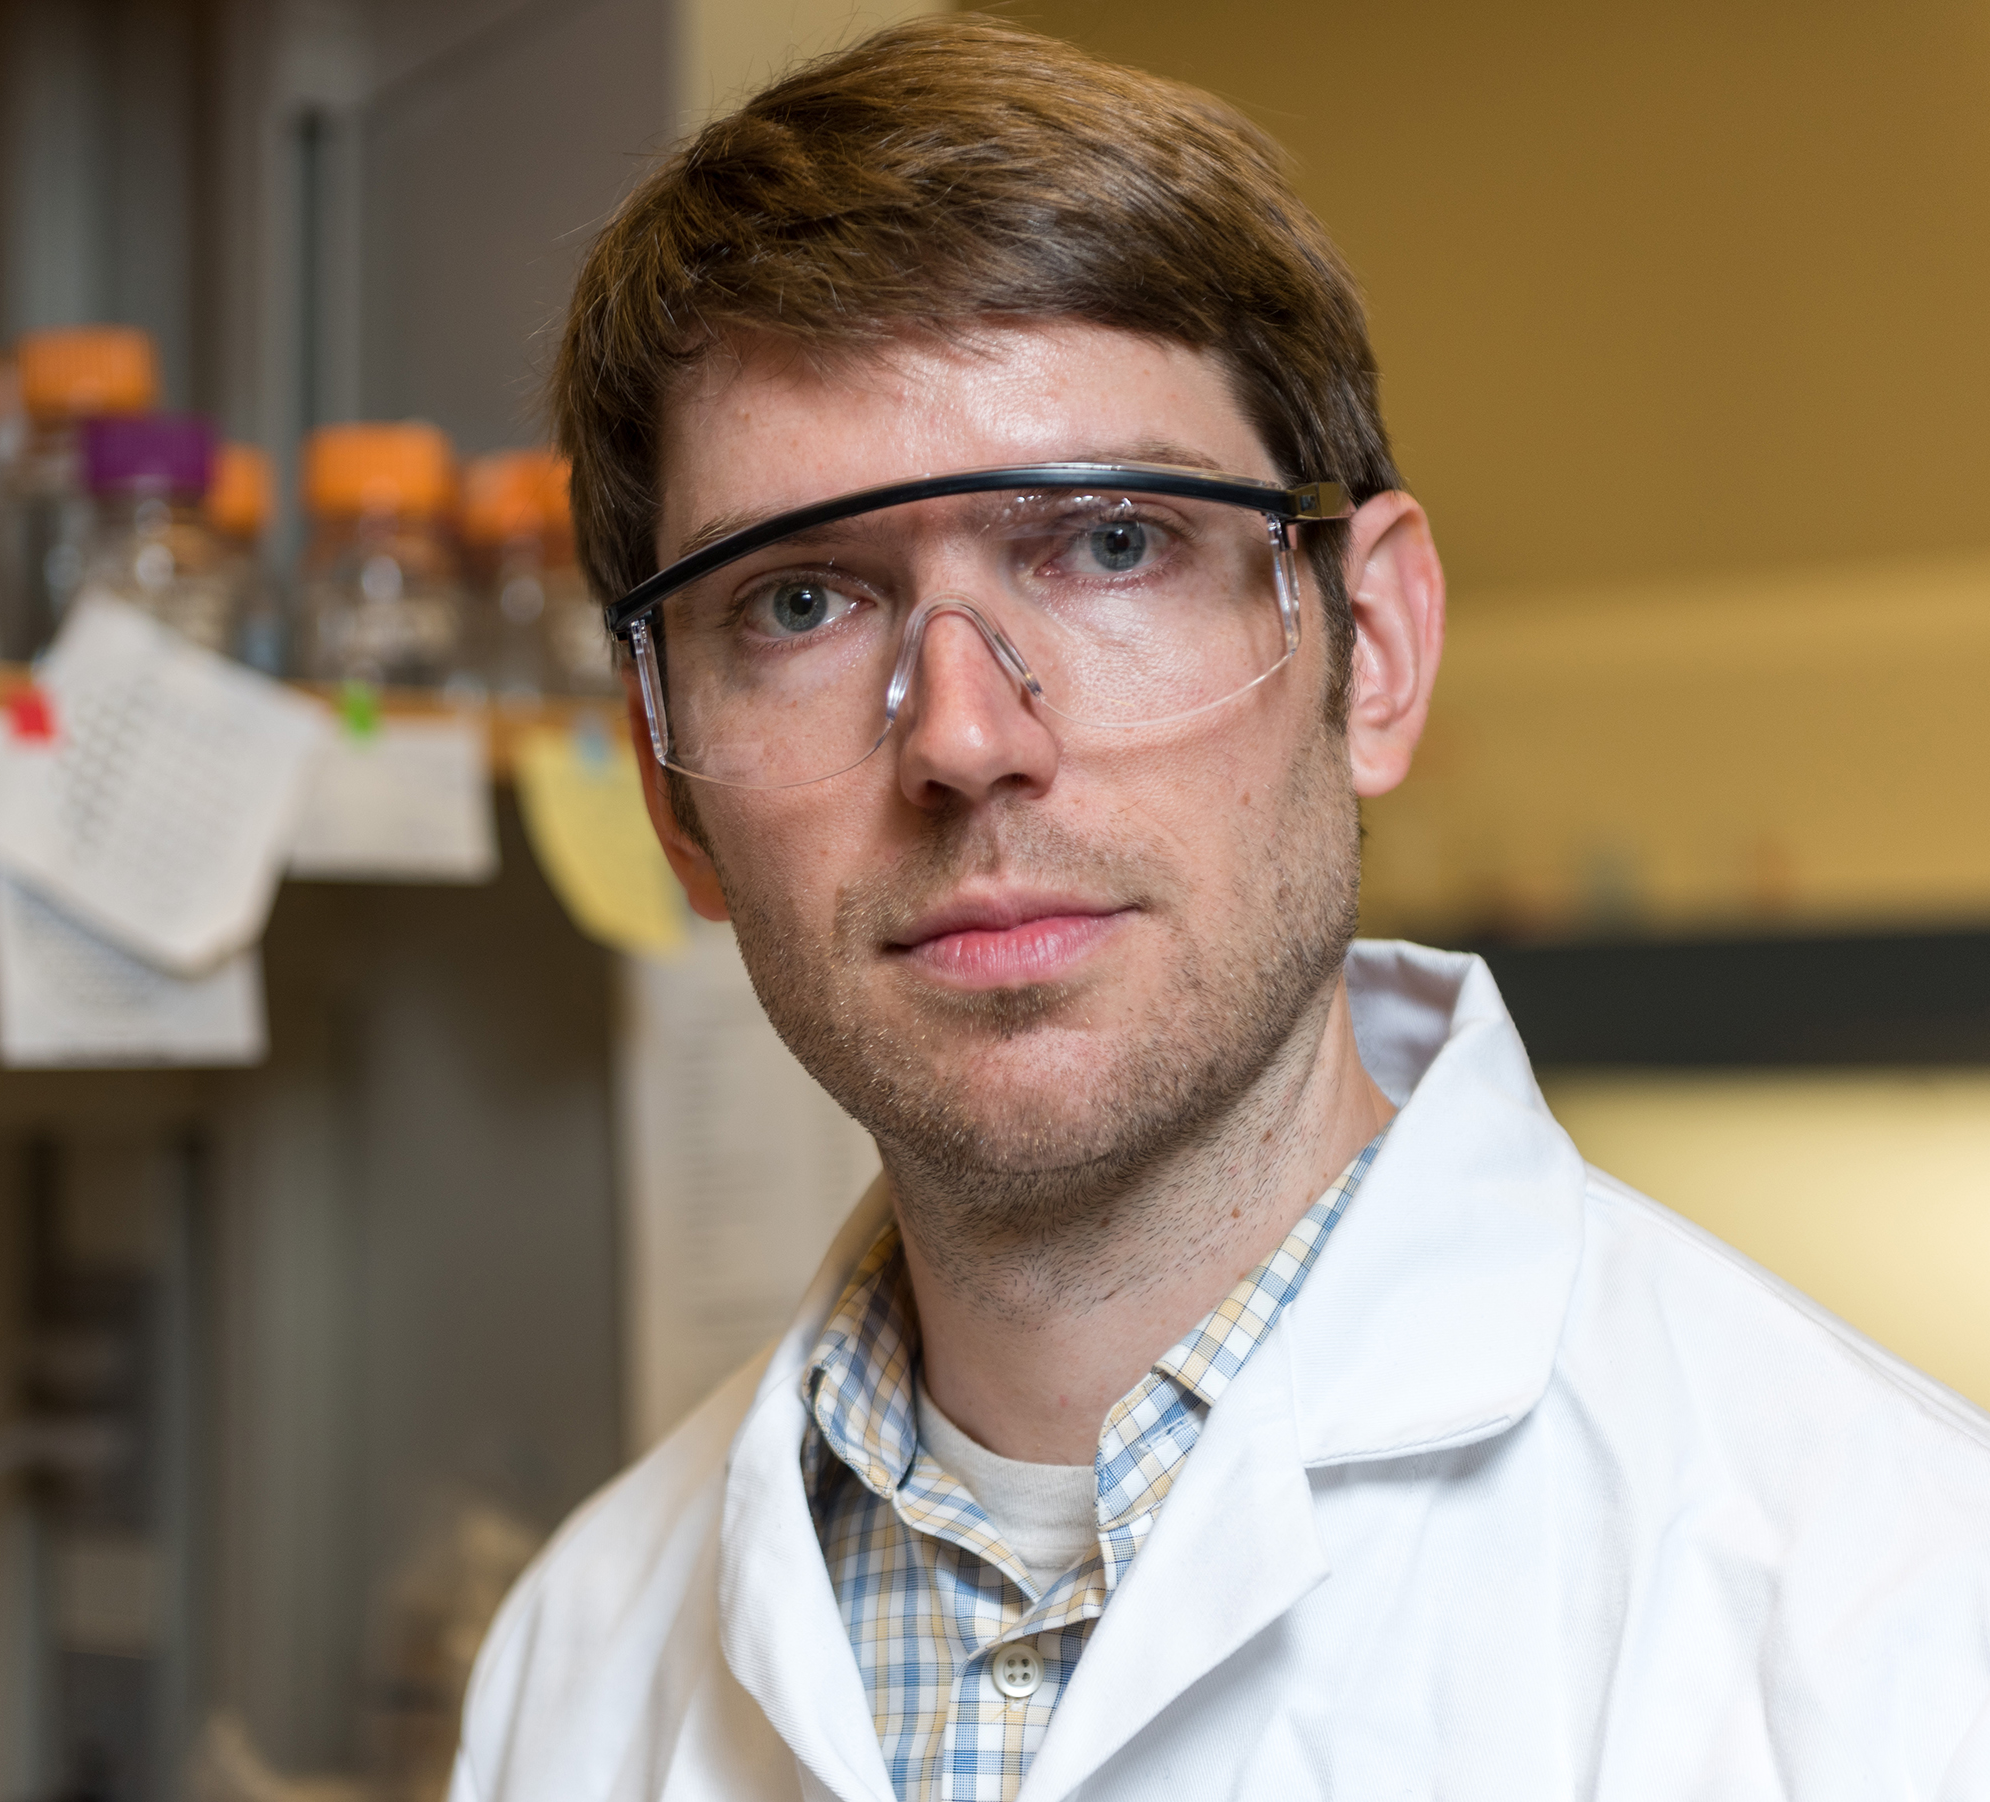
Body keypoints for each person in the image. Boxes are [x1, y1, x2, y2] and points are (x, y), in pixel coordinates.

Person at [452, 16, 1990, 1800]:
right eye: (802, 605)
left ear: (1379, 653)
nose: (962, 735)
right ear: (669, 791)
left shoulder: (1897, 1623)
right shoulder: (575, 1666)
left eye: (1110, 543)